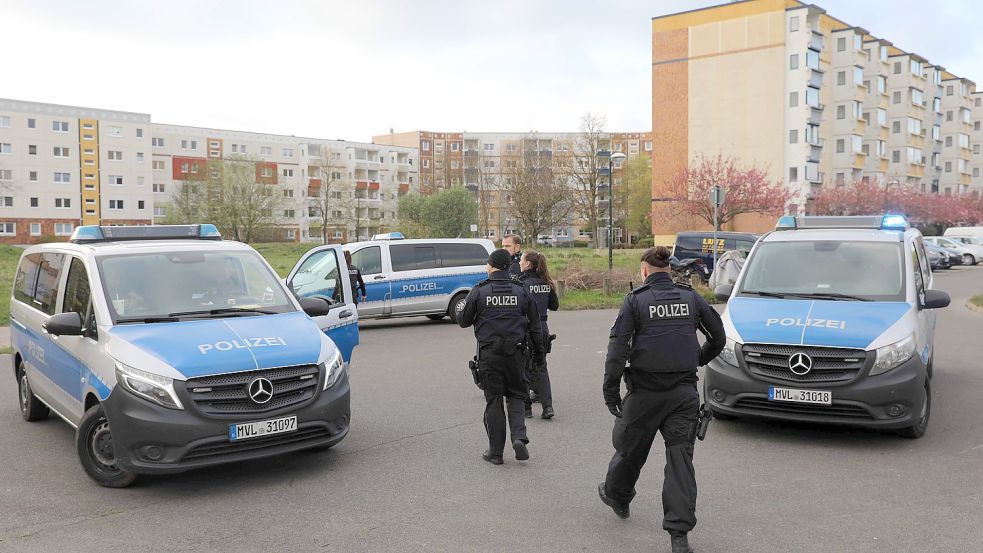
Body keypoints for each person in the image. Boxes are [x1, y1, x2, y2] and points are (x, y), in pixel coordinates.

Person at [598, 246, 726, 553]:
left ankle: (617, 496)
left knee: (630, 449)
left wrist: (610, 391)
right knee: (680, 460)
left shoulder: (635, 301)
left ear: (644, 271)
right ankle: (679, 535)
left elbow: (617, 350)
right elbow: (718, 338)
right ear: (669, 270)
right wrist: (697, 358)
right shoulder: (691, 298)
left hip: (645, 393)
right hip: (683, 393)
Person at [458, 249, 545, 465]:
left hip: (490, 355)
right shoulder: (522, 290)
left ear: (491, 266)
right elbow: (535, 326)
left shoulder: (479, 290)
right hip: (517, 352)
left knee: (494, 400)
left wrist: (463, 307)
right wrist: (540, 356)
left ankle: (496, 453)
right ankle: (519, 438)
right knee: (516, 395)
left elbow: (463, 321)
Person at [518, 250, 559, 420]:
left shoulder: (520, 283)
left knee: (523, 367)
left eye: (521, 260)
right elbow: (554, 306)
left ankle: (526, 409)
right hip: (543, 328)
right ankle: (547, 407)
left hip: (526, 328)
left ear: (528, 264)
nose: (519, 262)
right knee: (541, 366)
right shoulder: (546, 282)